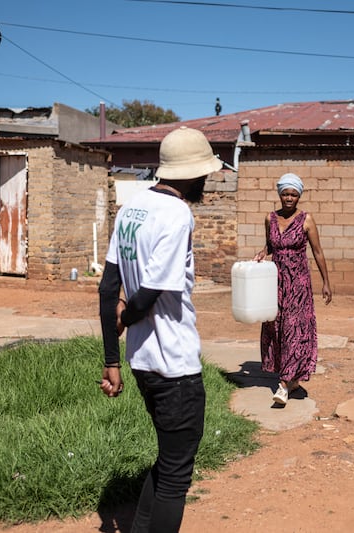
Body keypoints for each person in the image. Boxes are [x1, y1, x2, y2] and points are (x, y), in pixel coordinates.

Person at [98, 126, 222, 533]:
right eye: (204, 174)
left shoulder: (132, 207)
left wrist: (111, 360)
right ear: (193, 174)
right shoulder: (176, 213)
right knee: (176, 477)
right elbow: (149, 291)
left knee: (169, 461)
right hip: (174, 365)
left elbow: (107, 286)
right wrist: (125, 318)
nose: (206, 181)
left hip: (142, 361)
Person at [253, 173, 332, 406]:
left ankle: (284, 385)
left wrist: (326, 282)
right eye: (285, 194)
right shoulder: (270, 218)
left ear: (299, 196)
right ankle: (293, 378)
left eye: (293, 194)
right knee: (276, 328)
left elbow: (317, 251)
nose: (289, 198)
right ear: (280, 194)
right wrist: (262, 252)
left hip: (298, 284)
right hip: (275, 282)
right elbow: (271, 243)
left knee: (295, 330)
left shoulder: (307, 219)